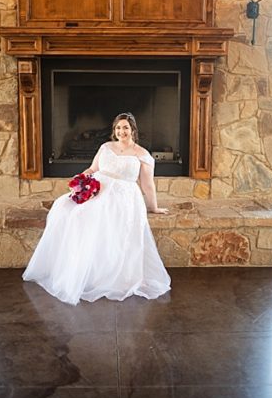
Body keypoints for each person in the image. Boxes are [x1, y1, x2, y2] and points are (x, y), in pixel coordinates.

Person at [22, 112, 172, 305]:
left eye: (125, 127)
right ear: (114, 130)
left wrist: (154, 207)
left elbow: (147, 185)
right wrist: (82, 181)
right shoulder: (106, 147)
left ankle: (109, 274)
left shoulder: (142, 154)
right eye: (118, 128)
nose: (121, 131)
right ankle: (75, 268)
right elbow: (93, 169)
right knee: (65, 209)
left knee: (103, 216)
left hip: (124, 195)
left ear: (133, 130)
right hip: (98, 188)